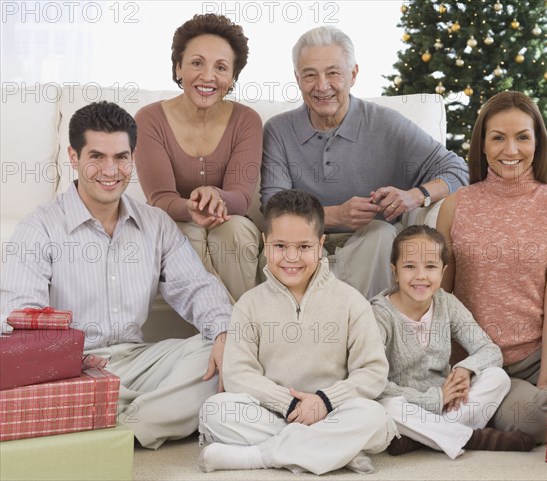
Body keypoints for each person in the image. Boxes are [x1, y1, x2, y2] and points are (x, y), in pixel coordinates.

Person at [0, 101, 233, 450]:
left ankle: (111, 425)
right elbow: (18, 319)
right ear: (73, 157)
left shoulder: (155, 224)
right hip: (70, 370)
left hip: (137, 359)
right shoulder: (39, 228)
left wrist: (224, 333)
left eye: (121, 157)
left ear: (133, 157)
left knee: (217, 353)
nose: (110, 170)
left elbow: (198, 288)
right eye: (97, 156)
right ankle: (139, 417)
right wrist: (67, 359)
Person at [260, 26, 468, 299]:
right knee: (283, 243)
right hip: (304, 242)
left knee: (382, 233)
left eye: (333, 73)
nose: (322, 86)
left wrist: (416, 196)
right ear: (297, 79)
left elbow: (458, 169)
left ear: (353, 75)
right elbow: (273, 208)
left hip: (369, 243)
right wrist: (335, 215)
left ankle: (369, 332)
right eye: (310, 75)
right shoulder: (279, 130)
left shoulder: (386, 124)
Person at [197, 189, 395, 475]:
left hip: (333, 412)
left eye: (304, 247)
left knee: (376, 419)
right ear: (265, 244)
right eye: (280, 246)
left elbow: (373, 372)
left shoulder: (352, 302)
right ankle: (337, 452)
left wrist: (324, 402)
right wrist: (288, 403)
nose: (291, 257)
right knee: (215, 411)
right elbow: (239, 374)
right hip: (274, 413)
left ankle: (258, 457)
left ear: (321, 244)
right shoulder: (249, 305)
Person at [436, 91, 547, 444]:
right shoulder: (455, 206)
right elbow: (438, 299)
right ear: (482, 144)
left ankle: (463, 425)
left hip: (530, 361)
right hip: (471, 361)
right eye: (498, 137)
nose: (511, 150)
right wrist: (440, 372)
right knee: (536, 422)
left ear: (538, 142)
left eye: (522, 137)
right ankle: (470, 419)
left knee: (543, 417)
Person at [372, 225, 535, 459]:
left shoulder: (447, 304)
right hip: (405, 404)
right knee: (385, 406)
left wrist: (466, 369)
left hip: (448, 406)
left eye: (430, 267)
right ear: (395, 271)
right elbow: (373, 382)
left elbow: (489, 350)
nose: (421, 276)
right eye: (409, 266)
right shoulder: (379, 315)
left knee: (497, 377)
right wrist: (434, 399)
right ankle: (473, 437)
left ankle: (423, 438)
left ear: (443, 271)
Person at [135, 14, 263, 302]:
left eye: (220, 67)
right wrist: (192, 207)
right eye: (196, 63)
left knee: (235, 231)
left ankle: (231, 332)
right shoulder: (149, 120)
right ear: (178, 68)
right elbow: (160, 199)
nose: (208, 76)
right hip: (173, 220)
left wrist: (214, 196)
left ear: (231, 78)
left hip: (230, 219)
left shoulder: (246, 121)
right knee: (187, 235)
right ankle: (236, 330)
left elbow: (240, 199)